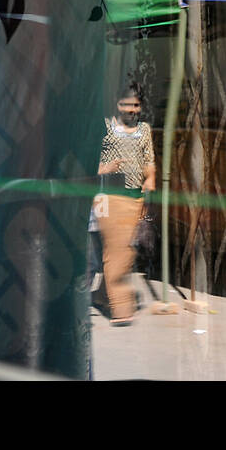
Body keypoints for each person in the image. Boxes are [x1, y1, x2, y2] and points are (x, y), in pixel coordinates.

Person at [94, 84, 156, 326]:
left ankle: (101, 296)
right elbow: (86, 159)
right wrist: (104, 169)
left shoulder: (145, 130)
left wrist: (150, 178)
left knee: (124, 251)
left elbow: (149, 159)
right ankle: (121, 309)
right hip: (109, 197)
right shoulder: (106, 128)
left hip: (135, 199)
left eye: (136, 105)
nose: (131, 110)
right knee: (119, 252)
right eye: (126, 104)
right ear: (116, 105)